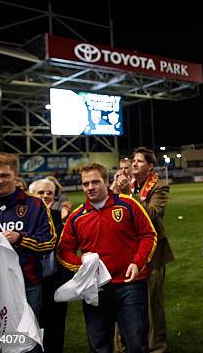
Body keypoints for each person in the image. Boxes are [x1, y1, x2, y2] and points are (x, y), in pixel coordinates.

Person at [57, 163, 157, 352]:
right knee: (99, 344)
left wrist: (137, 262)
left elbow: (148, 235)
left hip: (130, 285)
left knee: (136, 343)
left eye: (95, 182)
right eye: (86, 183)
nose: (90, 187)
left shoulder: (128, 204)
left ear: (106, 181)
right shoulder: (76, 217)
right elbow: (63, 251)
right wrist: (82, 265)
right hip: (95, 289)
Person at [0, 153, 56, 338]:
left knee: (25, 344)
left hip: (26, 289)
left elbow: (49, 242)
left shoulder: (36, 205)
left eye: (4, 175)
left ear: (16, 175)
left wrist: (20, 238)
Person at [113, 148, 174, 353]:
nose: (135, 164)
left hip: (153, 251)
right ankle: (124, 345)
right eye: (134, 161)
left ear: (150, 166)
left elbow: (154, 214)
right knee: (124, 298)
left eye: (140, 161)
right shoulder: (126, 184)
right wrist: (116, 189)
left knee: (152, 303)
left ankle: (156, 346)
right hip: (127, 249)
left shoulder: (160, 186)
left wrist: (130, 195)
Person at [29, 178, 72, 352]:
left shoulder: (60, 218)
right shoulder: (22, 219)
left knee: (56, 329)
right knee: (31, 328)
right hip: (29, 284)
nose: (46, 196)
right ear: (30, 195)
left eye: (49, 193)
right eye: (41, 192)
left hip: (56, 283)